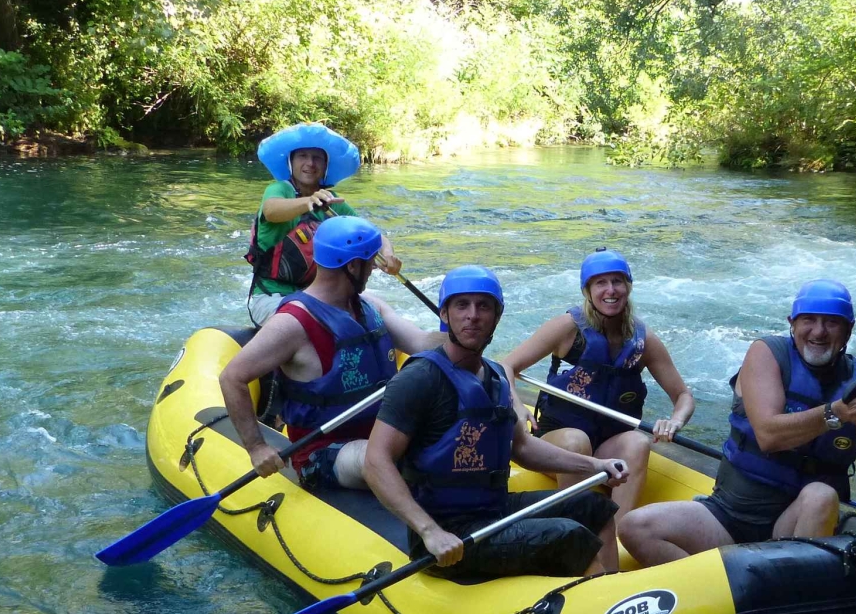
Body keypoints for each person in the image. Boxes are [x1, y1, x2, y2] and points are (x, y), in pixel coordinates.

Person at [620, 279, 856, 566]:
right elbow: (768, 435)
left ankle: (789, 587)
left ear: (849, 330)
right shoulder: (766, 354)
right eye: (809, 320)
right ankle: (725, 590)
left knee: (821, 494)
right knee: (635, 527)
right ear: (792, 323)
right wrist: (835, 414)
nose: (819, 332)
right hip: (730, 515)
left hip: (797, 523)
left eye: (831, 323)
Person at [363, 265, 630, 577]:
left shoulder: (497, 377)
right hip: (447, 531)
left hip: (495, 509)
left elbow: (523, 447)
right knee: (568, 536)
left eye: (483, 306)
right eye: (461, 305)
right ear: (445, 314)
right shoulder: (421, 378)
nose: (473, 315)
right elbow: (375, 461)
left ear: (497, 317)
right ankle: (599, 596)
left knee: (595, 509)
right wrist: (429, 531)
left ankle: (617, 592)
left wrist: (595, 465)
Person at [220, 216, 438, 491]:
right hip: (323, 451)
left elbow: (422, 343)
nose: (373, 268)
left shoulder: (370, 306)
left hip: (386, 433)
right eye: (370, 262)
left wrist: (462, 333)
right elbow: (232, 377)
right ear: (353, 266)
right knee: (375, 455)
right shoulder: (292, 323)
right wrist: (256, 447)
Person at [499, 249, 694, 520]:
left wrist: (675, 421)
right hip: (558, 444)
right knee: (576, 440)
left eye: (617, 281)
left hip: (607, 446)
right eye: (600, 283)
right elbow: (505, 367)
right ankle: (577, 527)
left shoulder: (643, 341)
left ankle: (620, 531)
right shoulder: (567, 328)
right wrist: (518, 407)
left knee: (637, 442)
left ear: (628, 287)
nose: (610, 290)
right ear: (587, 290)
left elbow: (683, 395)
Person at [246, 123, 402, 327]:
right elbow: (271, 210)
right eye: (302, 156)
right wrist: (308, 202)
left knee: (374, 310)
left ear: (326, 166)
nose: (310, 163)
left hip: (314, 296)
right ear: (291, 162)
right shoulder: (279, 190)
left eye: (317, 158)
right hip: (270, 296)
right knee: (315, 322)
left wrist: (387, 255)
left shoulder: (331, 200)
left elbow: (372, 235)